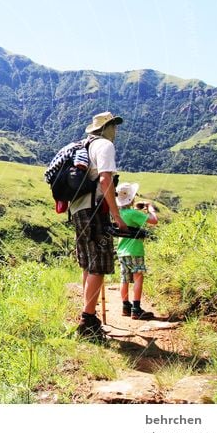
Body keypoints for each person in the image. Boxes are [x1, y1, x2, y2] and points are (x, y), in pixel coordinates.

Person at [70, 112, 128, 338]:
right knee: (99, 264)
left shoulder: (84, 145)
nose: (116, 130)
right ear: (106, 127)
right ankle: (88, 321)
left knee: (88, 263)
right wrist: (117, 217)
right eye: (114, 125)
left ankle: (88, 314)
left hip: (78, 209)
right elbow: (105, 181)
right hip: (95, 211)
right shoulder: (104, 145)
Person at [115, 182, 158, 320]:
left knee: (124, 279)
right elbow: (153, 221)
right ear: (131, 198)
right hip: (135, 250)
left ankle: (125, 306)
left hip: (122, 251)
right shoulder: (133, 213)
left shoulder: (118, 213)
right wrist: (150, 208)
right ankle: (136, 308)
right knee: (138, 277)